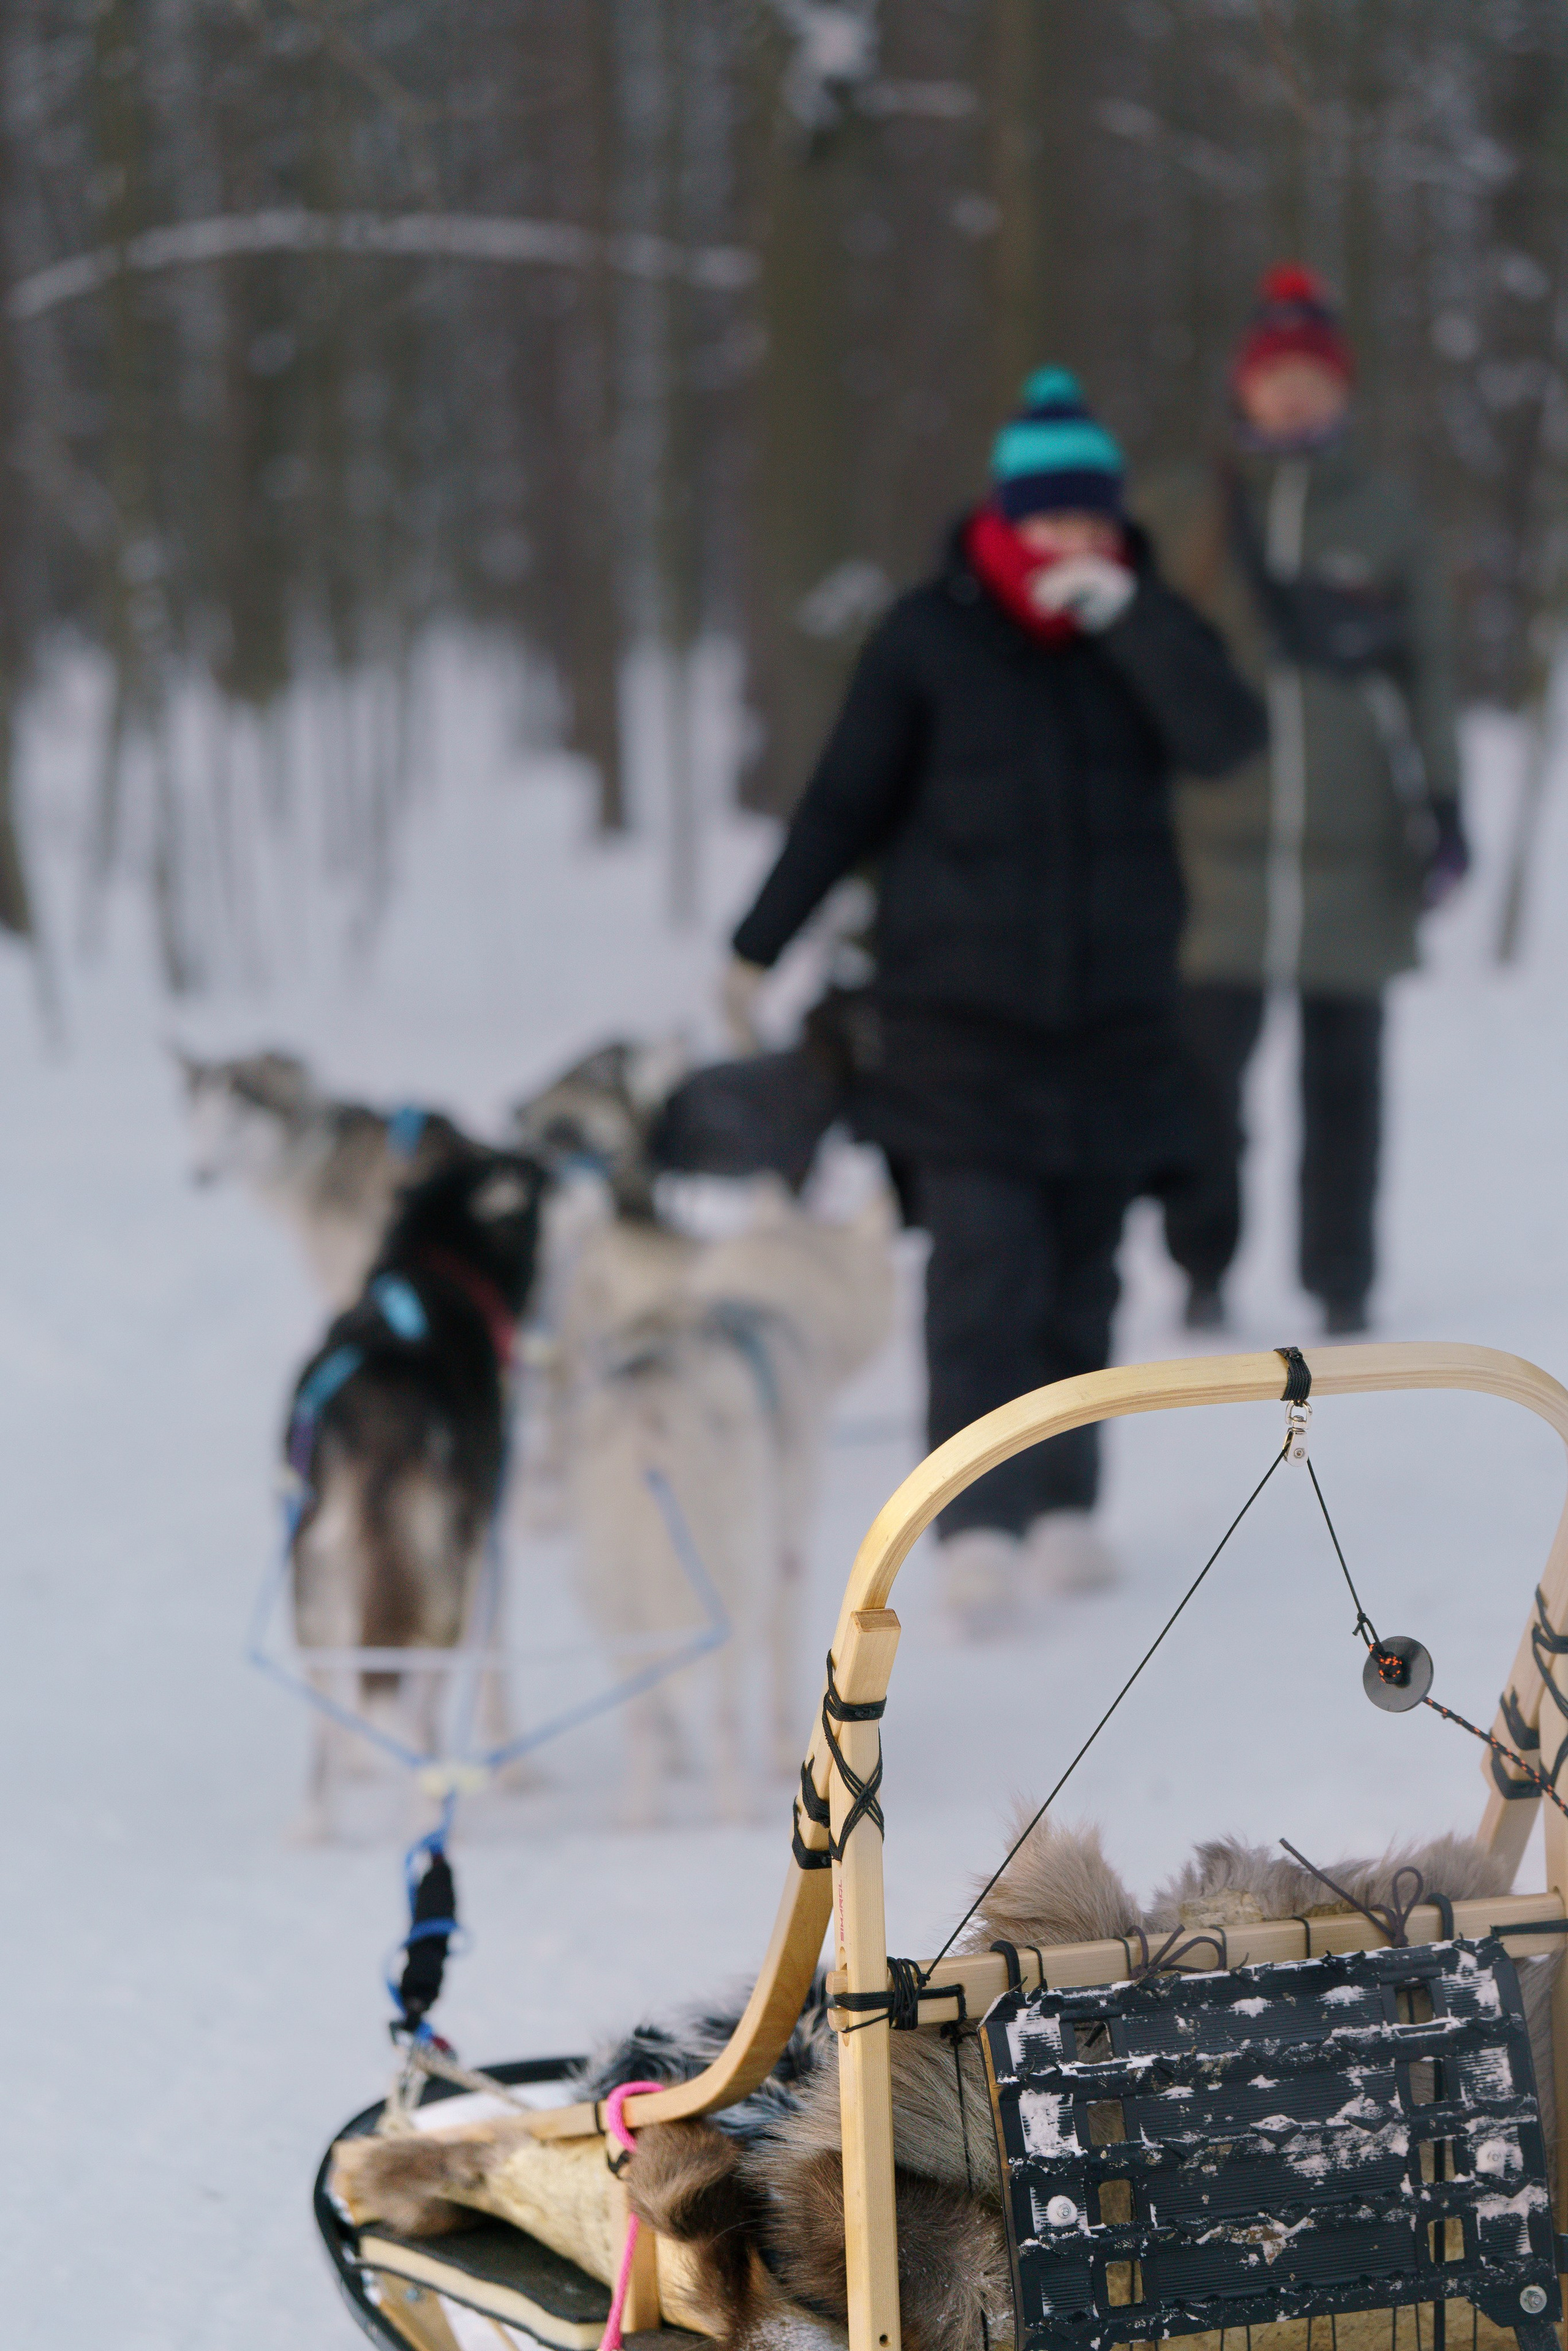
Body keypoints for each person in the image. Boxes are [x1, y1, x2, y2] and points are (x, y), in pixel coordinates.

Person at [723, 371, 1265, 1637]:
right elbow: (843, 800)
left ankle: (1066, 1502)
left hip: (1115, 1024)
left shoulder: (1144, 628)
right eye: (1049, 519)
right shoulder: (928, 633)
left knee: (1081, 1274)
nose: (1070, 543)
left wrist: (1131, 621)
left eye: (1092, 520)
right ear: (1005, 516)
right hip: (956, 1027)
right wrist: (758, 943)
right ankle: (971, 1518)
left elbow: (1228, 737)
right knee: (981, 1274)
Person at [1139, 266, 1469, 1336]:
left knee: (1346, 1090)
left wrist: (1446, 803)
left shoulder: (1385, 515)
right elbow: (1137, 653)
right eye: (1275, 376)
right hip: (1212, 851)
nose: (1293, 396)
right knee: (1199, 1085)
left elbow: (1429, 670)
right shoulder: (1188, 509)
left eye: (1312, 378)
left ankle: (1341, 1280)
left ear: (1342, 393)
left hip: (1352, 850)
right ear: (1245, 387)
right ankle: (1201, 1263)